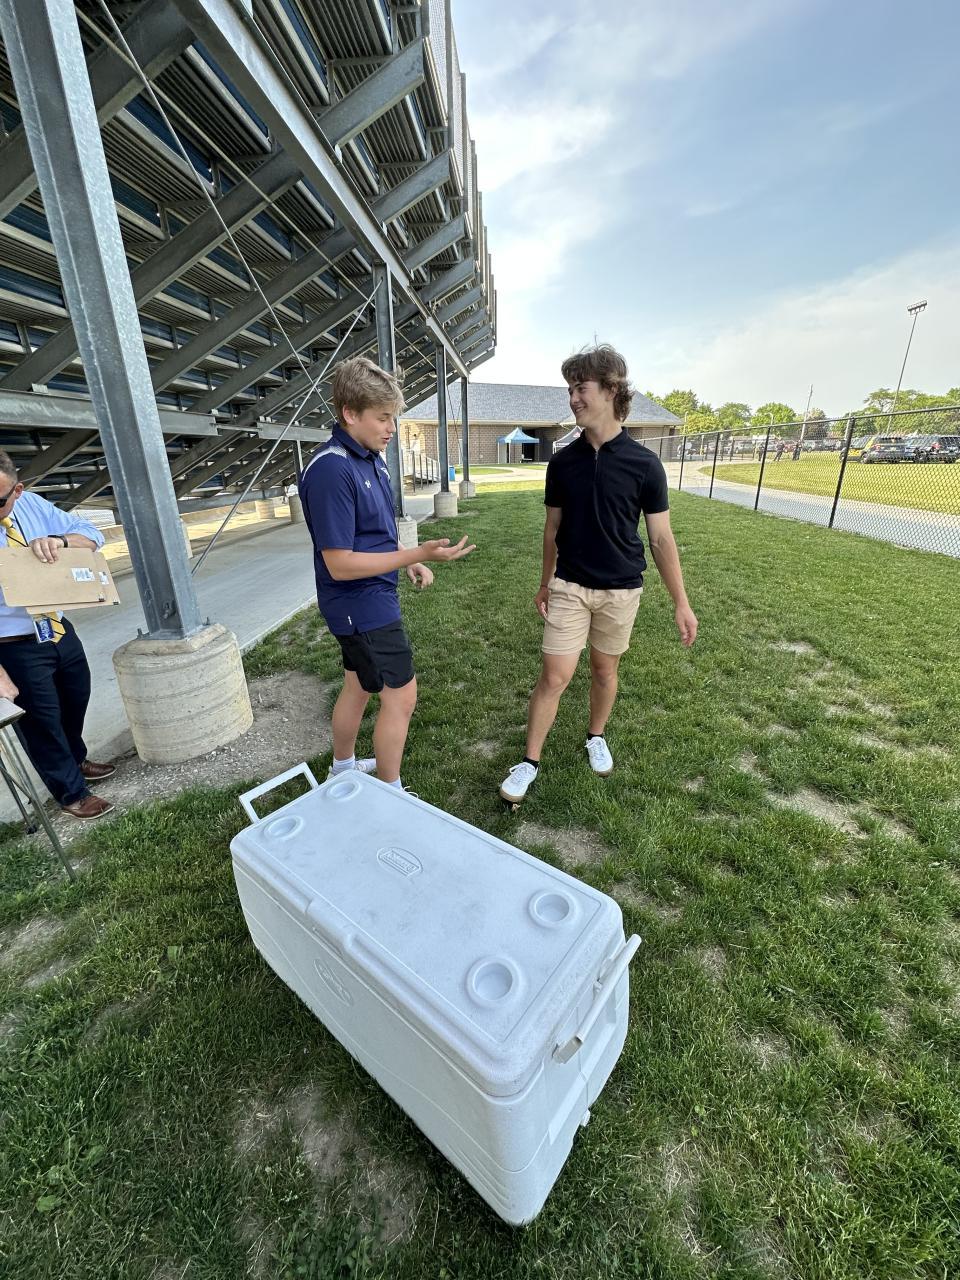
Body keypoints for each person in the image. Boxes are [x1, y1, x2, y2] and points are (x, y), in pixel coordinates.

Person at [499, 345, 698, 806]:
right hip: (570, 584)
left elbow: (661, 539)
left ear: (610, 390)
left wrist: (681, 603)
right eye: (570, 390)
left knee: (605, 670)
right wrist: (545, 582)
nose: (573, 398)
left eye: (580, 388)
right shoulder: (562, 462)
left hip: (621, 589)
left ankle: (596, 735)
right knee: (555, 676)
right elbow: (552, 529)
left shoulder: (645, 464)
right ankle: (529, 761)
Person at [299, 356, 474, 790]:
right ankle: (392, 792)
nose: (392, 428)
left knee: (359, 685)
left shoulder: (372, 459)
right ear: (349, 413)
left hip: (371, 597)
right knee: (402, 694)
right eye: (382, 417)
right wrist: (416, 552)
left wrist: (409, 558)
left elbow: (374, 533)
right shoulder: (331, 469)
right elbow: (340, 563)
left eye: (393, 417)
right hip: (358, 603)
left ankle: (342, 768)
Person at [0, 450, 116, 819]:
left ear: (17, 490)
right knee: (41, 723)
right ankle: (71, 794)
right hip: (12, 644)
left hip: (56, 627)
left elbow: (92, 535)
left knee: (75, 697)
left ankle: (76, 760)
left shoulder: (33, 506)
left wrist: (60, 541)